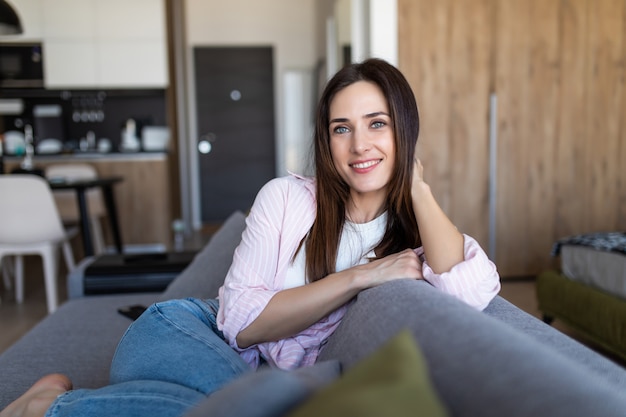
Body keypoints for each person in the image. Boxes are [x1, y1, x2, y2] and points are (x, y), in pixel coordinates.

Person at [1, 58, 500, 417]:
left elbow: (469, 291)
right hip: (184, 334)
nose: (360, 144)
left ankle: (51, 405)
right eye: (341, 128)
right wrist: (359, 276)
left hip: (239, 375)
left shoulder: (413, 235)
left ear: (404, 131)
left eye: (378, 124)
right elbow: (239, 323)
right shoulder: (286, 197)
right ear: (326, 140)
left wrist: (415, 185)